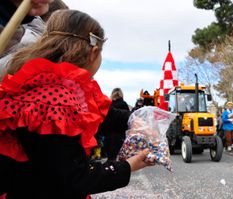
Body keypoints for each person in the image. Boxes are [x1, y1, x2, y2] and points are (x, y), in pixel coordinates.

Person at [0, 10, 152, 199]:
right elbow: (74, 177)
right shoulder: (52, 99)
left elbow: (99, 115)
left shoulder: (53, 84)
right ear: (94, 52)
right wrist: (128, 165)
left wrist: (135, 119)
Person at [105, 88, 130, 160]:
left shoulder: (109, 104)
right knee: (120, 156)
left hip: (109, 133)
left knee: (110, 156)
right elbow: (127, 118)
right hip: (120, 133)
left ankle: (110, 169)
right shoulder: (124, 104)